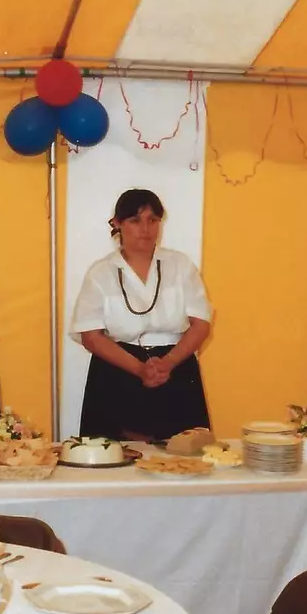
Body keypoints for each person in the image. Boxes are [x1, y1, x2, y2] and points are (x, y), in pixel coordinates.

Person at [71, 188, 212, 440]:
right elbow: (91, 335)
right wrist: (139, 369)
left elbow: (201, 323)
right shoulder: (101, 272)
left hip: (175, 368)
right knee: (116, 462)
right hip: (117, 372)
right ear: (117, 223)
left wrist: (167, 362)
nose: (145, 229)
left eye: (152, 220)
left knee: (183, 461)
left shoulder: (181, 265)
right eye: (135, 220)